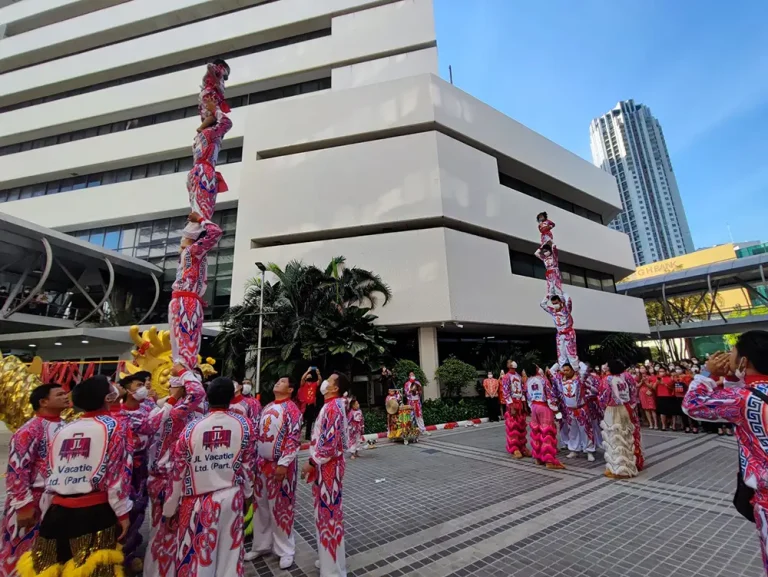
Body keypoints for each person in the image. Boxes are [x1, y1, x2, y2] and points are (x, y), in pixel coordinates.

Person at [18, 376, 132, 577]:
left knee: (52, 569)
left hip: (56, 512)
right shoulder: (116, 427)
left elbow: (51, 474)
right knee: (92, 570)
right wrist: (122, 512)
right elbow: (118, 476)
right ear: (107, 397)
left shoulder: (64, 429)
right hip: (95, 512)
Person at [683, 332, 768, 575]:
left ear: (744, 361)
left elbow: (693, 404)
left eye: (732, 352)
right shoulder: (746, 394)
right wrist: (732, 377)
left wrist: (706, 374)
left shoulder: (743, 398)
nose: (728, 356)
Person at [163, 377, 256, 577]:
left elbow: (178, 472)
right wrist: (249, 495)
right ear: (232, 398)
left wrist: (170, 508)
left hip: (197, 502)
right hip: (232, 497)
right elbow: (248, 466)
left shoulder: (191, 429)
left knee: (197, 561)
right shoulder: (244, 425)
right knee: (230, 558)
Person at [1, 384, 70, 577]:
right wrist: (23, 505)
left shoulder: (68, 428)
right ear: (43, 402)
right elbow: (17, 470)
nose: (66, 397)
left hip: (58, 502)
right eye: (60, 394)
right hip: (32, 503)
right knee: (22, 555)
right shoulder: (29, 430)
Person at [143, 365, 205, 577]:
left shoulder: (170, 409)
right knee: (166, 531)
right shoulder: (173, 410)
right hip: (167, 479)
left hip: (179, 478)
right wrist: (182, 370)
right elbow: (198, 393)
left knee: (174, 529)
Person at [248, 376, 303, 568]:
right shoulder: (268, 406)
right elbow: (257, 433)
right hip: (261, 465)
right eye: (277, 380)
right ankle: (261, 545)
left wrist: (284, 463)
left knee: (281, 508)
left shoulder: (292, 409)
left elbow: (294, 438)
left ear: (290, 390)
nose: (277, 382)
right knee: (260, 506)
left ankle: (285, 550)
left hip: (280, 467)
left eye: (282, 382)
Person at [302, 373, 349, 577]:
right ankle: (330, 562)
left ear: (334, 388)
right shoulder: (333, 405)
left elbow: (328, 444)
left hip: (328, 466)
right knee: (326, 515)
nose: (325, 382)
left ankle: (333, 570)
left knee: (328, 516)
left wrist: (312, 462)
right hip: (328, 466)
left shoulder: (333, 407)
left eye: (329, 380)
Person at [114, 374, 157, 572]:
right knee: (122, 510)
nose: (144, 388)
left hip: (142, 465)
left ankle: (129, 552)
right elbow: (149, 426)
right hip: (123, 467)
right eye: (139, 385)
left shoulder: (147, 407)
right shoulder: (118, 415)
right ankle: (116, 555)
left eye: (144, 384)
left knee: (139, 509)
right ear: (125, 390)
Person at [169, 214, 223, 369]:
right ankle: (181, 377)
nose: (180, 241)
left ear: (190, 239)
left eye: (183, 238)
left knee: (186, 346)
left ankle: (186, 378)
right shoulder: (188, 254)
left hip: (187, 301)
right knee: (179, 347)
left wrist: (200, 219)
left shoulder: (194, 250)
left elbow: (215, 232)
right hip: (181, 300)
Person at [187, 98, 233, 225]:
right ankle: (201, 228)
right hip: (204, 172)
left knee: (197, 206)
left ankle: (197, 227)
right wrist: (215, 110)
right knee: (205, 210)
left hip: (196, 173)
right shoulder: (209, 133)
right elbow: (226, 123)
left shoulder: (198, 137)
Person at [598, 361, 639, 479]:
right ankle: (627, 467)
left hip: (612, 410)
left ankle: (617, 469)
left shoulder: (608, 380)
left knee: (614, 440)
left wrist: (602, 406)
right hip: (624, 409)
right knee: (625, 438)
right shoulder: (623, 379)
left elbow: (604, 396)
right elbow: (632, 394)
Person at [550, 362, 596, 461]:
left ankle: (589, 451)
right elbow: (551, 371)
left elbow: (585, 368)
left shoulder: (579, 379)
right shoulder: (560, 380)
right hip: (569, 410)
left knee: (586, 430)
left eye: (567, 370)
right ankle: (574, 449)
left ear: (573, 370)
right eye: (564, 370)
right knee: (572, 431)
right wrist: (559, 363)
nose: (565, 372)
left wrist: (575, 361)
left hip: (582, 409)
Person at [526, 367, 565, 469]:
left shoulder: (528, 381)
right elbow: (549, 395)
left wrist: (532, 407)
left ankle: (538, 458)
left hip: (534, 407)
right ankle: (549, 461)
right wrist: (555, 409)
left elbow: (528, 397)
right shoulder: (543, 380)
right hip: (544, 407)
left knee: (536, 432)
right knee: (547, 432)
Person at [540, 293, 579, 368]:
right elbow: (542, 304)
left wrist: (561, 293)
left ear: (561, 302)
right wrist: (548, 295)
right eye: (553, 303)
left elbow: (569, 300)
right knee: (561, 355)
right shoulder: (553, 311)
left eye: (556, 303)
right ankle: (563, 371)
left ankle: (576, 370)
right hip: (560, 335)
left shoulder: (566, 310)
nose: (555, 305)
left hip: (569, 334)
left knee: (571, 354)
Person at [501, 361, 528, 458]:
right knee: (513, 427)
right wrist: (511, 406)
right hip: (512, 402)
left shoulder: (518, 376)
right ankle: (515, 448)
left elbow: (522, 391)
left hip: (520, 402)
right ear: (508, 366)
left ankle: (523, 447)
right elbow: (505, 392)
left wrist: (524, 405)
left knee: (521, 426)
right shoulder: (506, 377)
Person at [197, 58, 231, 133]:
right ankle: (202, 127)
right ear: (221, 66)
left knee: (207, 114)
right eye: (226, 72)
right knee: (215, 114)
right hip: (211, 95)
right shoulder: (218, 71)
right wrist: (215, 79)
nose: (225, 77)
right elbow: (209, 66)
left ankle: (204, 128)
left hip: (206, 95)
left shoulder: (209, 77)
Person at [298, 367, 321, 441]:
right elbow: (302, 378)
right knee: (300, 420)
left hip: (311, 405)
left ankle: (307, 437)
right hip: (304, 405)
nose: (309, 377)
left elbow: (320, 380)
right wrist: (307, 371)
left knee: (310, 421)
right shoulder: (303, 384)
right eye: (308, 376)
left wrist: (318, 374)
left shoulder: (314, 384)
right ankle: (296, 434)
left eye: (310, 376)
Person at [654, 367, 676, 431]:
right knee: (662, 412)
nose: (661, 373)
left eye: (663, 371)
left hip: (669, 396)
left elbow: (672, 388)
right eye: (660, 371)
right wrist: (657, 382)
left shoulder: (669, 378)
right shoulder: (657, 379)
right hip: (660, 396)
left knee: (672, 412)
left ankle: (673, 425)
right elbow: (654, 388)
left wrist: (665, 384)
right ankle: (664, 425)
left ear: (666, 371)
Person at [637, 365, 658, 429]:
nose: (641, 369)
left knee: (652, 408)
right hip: (642, 393)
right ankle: (650, 423)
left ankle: (656, 424)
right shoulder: (638, 377)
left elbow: (651, 386)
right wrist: (641, 381)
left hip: (649, 392)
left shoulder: (650, 377)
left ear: (646, 369)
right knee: (646, 408)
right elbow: (637, 385)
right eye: (640, 368)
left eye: (643, 368)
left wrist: (646, 382)